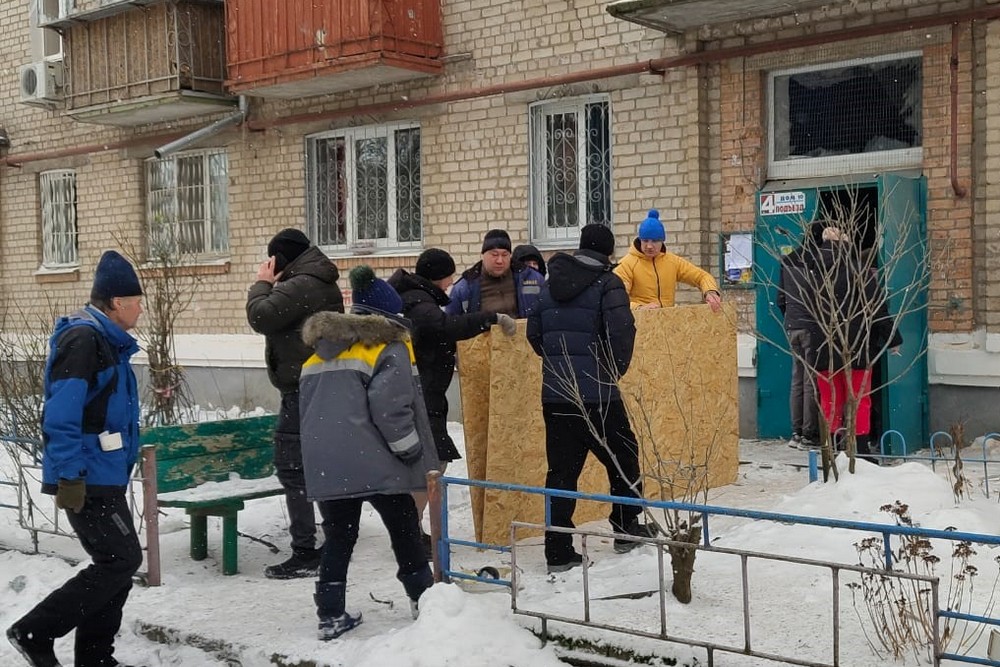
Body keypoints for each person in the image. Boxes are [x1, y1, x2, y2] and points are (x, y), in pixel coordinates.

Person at [7, 251, 145, 667]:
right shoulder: (84, 340)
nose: (141, 307)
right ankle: (35, 630)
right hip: (85, 474)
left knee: (115, 562)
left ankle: (96, 657)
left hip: (103, 471)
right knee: (121, 560)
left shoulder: (106, 341)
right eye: (137, 300)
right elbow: (61, 412)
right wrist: (70, 475)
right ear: (117, 303)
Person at [299, 265, 437, 640]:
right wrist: (410, 451)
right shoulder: (388, 347)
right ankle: (423, 599)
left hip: (328, 464)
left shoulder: (317, 355)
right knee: (404, 527)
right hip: (377, 461)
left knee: (339, 537)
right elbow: (391, 409)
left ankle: (330, 613)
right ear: (389, 318)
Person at [526, 224, 654, 574]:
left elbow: (534, 334)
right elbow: (621, 332)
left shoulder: (549, 283)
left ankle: (558, 549)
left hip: (556, 396)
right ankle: (626, 526)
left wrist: (559, 365)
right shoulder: (608, 283)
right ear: (608, 252)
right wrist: (610, 371)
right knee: (623, 458)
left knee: (562, 473)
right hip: (599, 395)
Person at [387, 249, 516, 555]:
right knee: (431, 464)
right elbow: (445, 328)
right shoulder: (419, 302)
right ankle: (409, 531)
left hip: (424, 395)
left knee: (430, 462)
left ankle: (411, 527)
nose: (449, 283)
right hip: (422, 397)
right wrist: (490, 318)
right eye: (447, 276)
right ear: (438, 275)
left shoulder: (416, 296)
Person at [246, 228, 344, 579]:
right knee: (320, 464)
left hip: (304, 388)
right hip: (323, 384)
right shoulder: (319, 279)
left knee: (293, 467)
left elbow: (261, 316)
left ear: (279, 259)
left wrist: (262, 283)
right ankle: (335, 539)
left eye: (271, 260)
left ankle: (305, 551)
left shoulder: (300, 284)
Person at [812, 227, 902, 458]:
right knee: (859, 400)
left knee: (831, 399)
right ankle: (859, 451)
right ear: (846, 245)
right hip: (856, 348)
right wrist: (893, 339)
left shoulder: (811, 270)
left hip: (823, 348)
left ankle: (831, 451)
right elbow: (878, 307)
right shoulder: (858, 270)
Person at [613, 209, 722, 312]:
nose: (649, 246)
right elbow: (616, 299)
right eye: (645, 240)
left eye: (655, 241)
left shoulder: (672, 262)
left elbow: (702, 276)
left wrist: (710, 291)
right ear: (640, 240)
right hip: (638, 325)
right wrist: (640, 308)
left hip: (667, 324)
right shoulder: (626, 264)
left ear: (662, 241)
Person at [778, 227, 822, 449]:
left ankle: (795, 432)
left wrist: (790, 318)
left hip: (791, 326)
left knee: (796, 379)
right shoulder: (816, 262)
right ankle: (808, 434)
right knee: (810, 381)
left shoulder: (787, 260)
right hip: (810, 327)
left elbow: (780, 298)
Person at [445, 229, 543, 318]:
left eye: (505, 255)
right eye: (494, 254)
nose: (500, 260)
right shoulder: (464, 288)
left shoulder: (532, 278)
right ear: (483, 255)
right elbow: (451, 326)